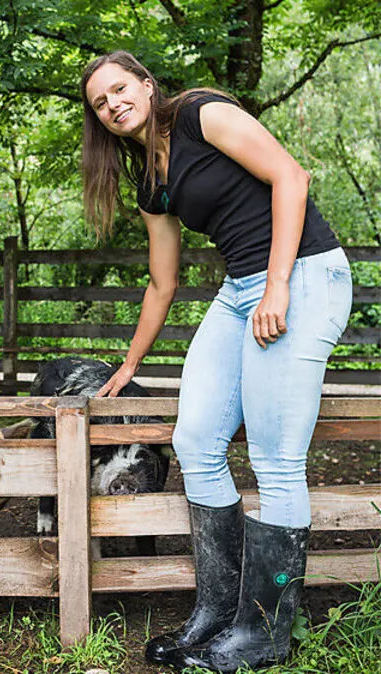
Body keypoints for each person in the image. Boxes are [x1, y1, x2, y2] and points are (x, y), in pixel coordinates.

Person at [79, 51, 351, 672]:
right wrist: (127, 364)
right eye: (100, 101)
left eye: (121, 88)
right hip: (238, 292)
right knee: (196, 440)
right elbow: (161, 283)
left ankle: (264, 634)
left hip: (304, 273)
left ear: (147, 85)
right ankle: (218, 613)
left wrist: (277, 284)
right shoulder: (151, 181)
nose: (114, 103)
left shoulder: (201, 114)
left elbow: (291, 176)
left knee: (276, 459)